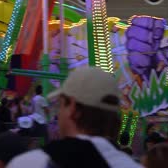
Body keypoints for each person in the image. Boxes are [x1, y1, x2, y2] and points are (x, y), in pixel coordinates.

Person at [8, 66, 142, 168]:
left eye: (61, 105)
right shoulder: (131, 165)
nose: (59, 113)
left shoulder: (29, 163)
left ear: (72, 107)